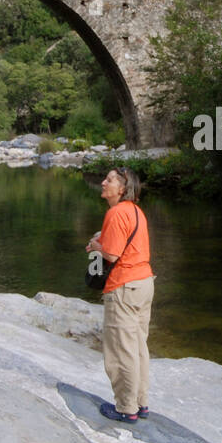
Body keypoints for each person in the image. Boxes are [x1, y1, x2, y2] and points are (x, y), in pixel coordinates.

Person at [86, 167, 154, 423]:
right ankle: (141, 402)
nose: (104, 182)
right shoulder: (135, 211)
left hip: (124, 287)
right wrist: (100, 242)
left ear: (123, 188)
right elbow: (123, 242)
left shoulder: (115, 213)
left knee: (120, 351)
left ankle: (126, 409)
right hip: (144, 282)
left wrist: (95, 247)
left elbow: (112, 255)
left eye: (110, 180)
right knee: (137, 347)